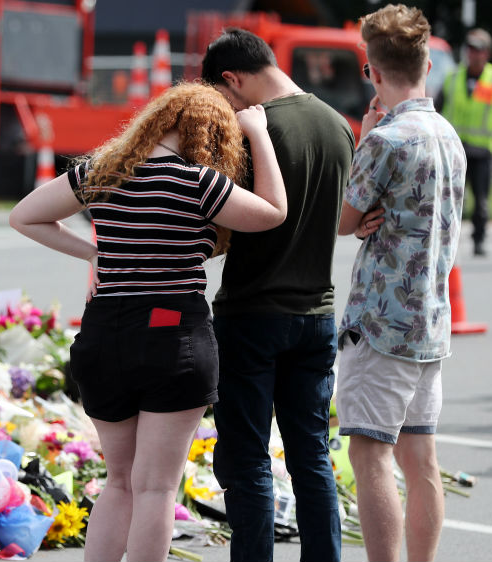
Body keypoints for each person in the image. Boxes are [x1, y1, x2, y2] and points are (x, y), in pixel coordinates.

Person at [10, 83, 288, 562]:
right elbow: (273, 213)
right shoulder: (198, 180)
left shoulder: (102, 171)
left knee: (117, 482)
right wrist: (259, 136)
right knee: (157, 489)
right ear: (211, 135)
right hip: (172, 330)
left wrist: (95, 253)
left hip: (104, 334)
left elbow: (24, 217)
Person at [200, 28, 357, 562]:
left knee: (247, 462)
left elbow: (220, 226)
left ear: (232, 79)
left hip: (252, 313)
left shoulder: (253, 132)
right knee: (311, 455)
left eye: (222, 98)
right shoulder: (338, 126)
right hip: (317, 314)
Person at [336, 5, 466, 562]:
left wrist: (365, 134)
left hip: (383, 322)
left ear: (374, 72)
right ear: (428, 63)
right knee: (422, 459)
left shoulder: (386, 140)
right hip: (430, 323)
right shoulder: (448, 135)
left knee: (370, 456)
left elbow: (342, 221)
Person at [436, 28, 492, 257]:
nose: (472, 54)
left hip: (483, 150)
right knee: (450, 198)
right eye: (469, 49)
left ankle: (478, 240)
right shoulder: (452, 78)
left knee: (481, 202)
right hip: (455, 150)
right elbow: (436, 110)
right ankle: (446, 240)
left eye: (477, 50)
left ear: (486, 53)